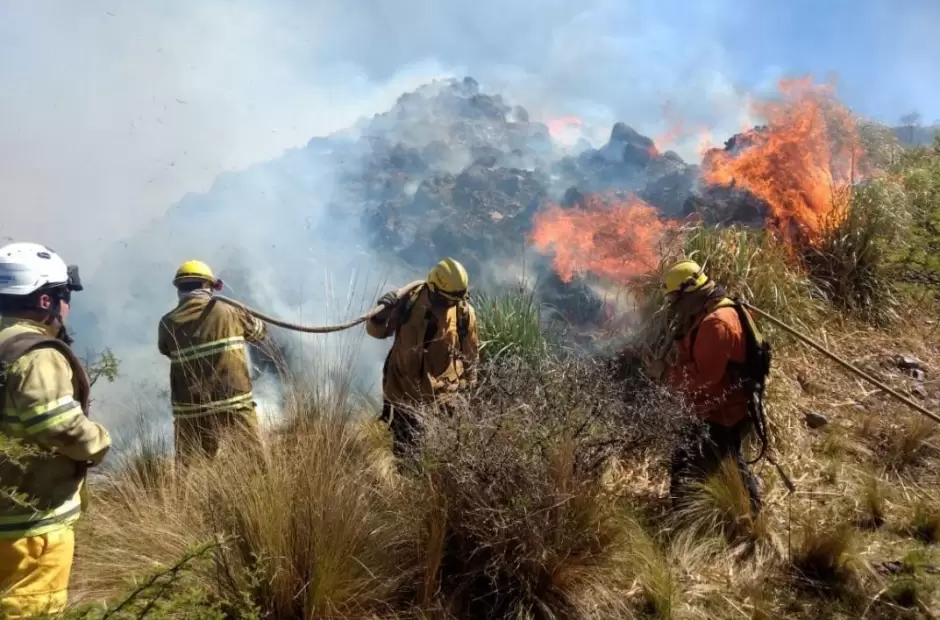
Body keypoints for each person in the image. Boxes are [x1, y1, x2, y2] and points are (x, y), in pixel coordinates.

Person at [0, 242, 112, 618]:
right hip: (27, 526)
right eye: (64, 296)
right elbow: (59, 427)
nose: (67, 307)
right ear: (46, 301)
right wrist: (99, 442)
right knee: (28, 610)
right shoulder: (36, 354)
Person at [645, 259, 766, 514]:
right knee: (728, 459)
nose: (674, 307)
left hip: (720, 410)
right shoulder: (711, 310)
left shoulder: (716, 323)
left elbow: (704, 379)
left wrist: (666, 373)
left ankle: (689, 515)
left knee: (692, 461)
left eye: (675, 300)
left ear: (690, 292)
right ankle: (748, 505)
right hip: (724, 405)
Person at [367, 258, 480, 459]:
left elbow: (471, 356)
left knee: (439, 456)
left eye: (455, 300)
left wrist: (469, 392)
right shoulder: (409, 302)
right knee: (404, 454)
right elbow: (377, 332)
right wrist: (381, 314)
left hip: (442, 401)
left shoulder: (464, 314)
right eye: (447, 300)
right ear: (434, 289)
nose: (451, 304)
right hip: (403, 393)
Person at [157, 260, 267, 464]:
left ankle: (183, 497)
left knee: (189, 466)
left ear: (179, 288)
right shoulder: (230, 311)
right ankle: (266, 494)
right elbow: (259, 333)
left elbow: (166, 350)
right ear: (208, 285)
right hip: (233, 402)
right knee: (254, 460)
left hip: (189, 407)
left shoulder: (167, 322)